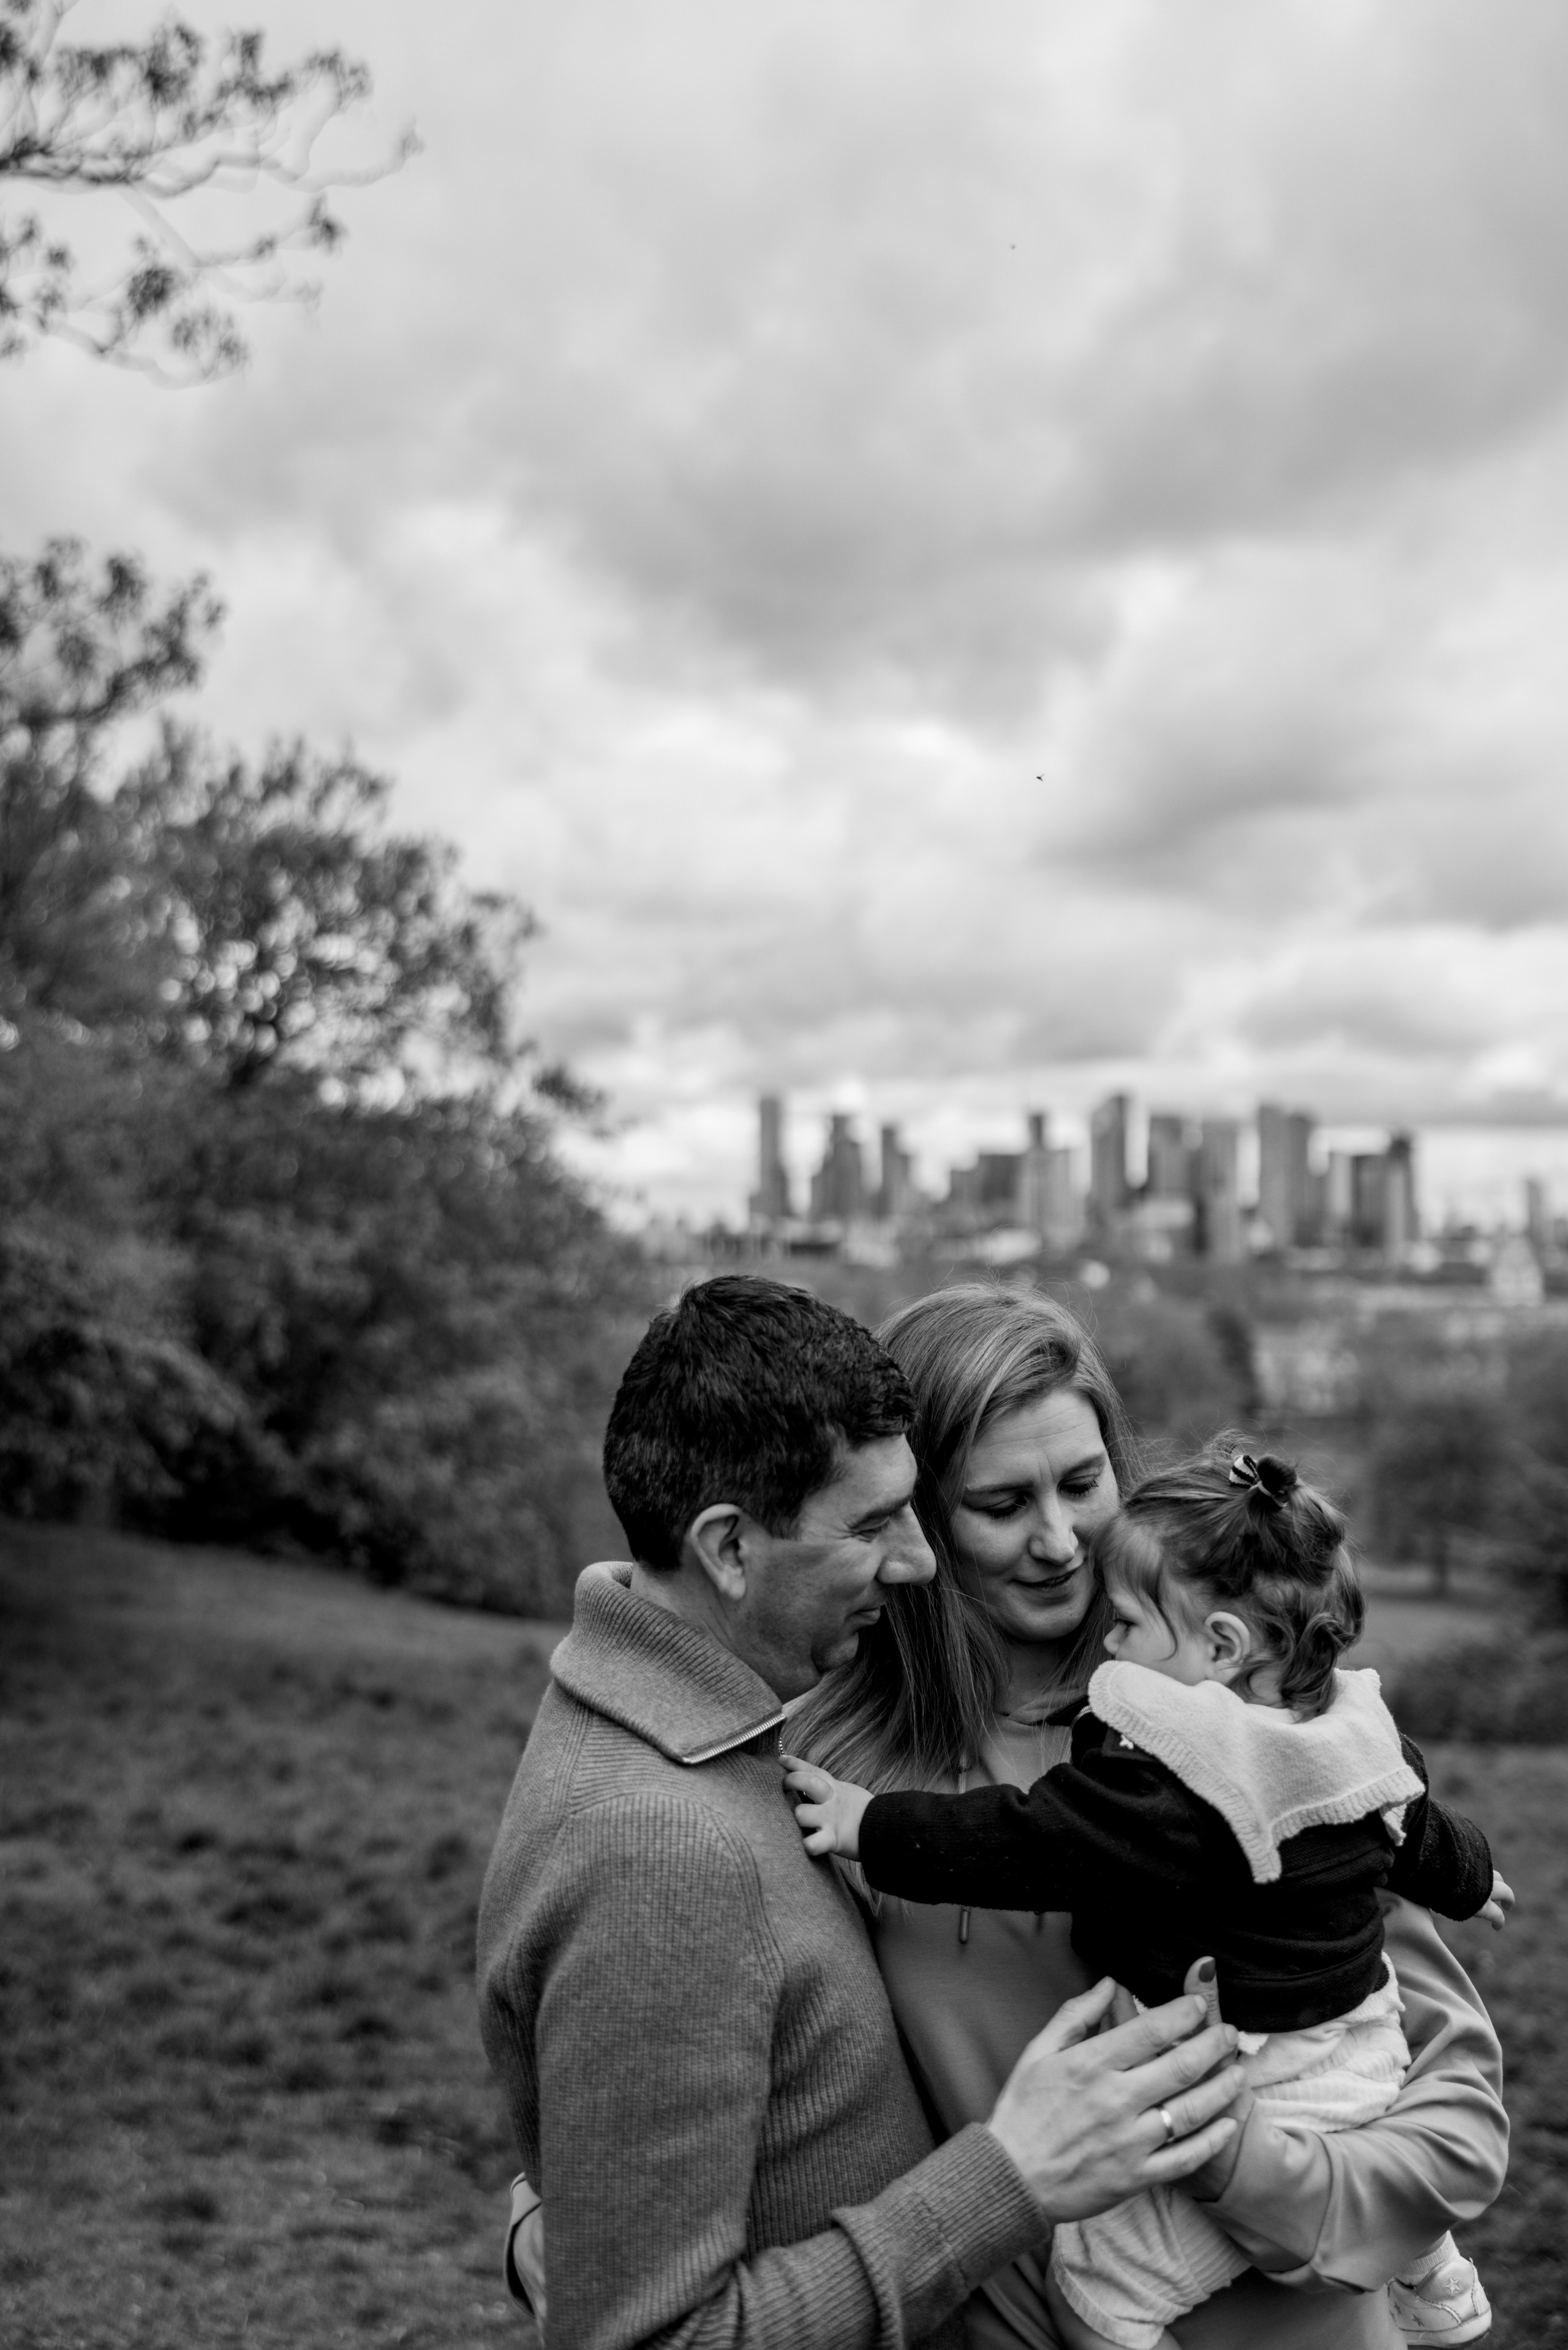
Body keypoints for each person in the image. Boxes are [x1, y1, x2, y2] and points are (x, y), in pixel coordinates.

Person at [475, 1275, 1245, 2350]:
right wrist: (1006, 2180)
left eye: (1082, 1481)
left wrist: (557, 2212)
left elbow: (684, 2088)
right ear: (731, 1547)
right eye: (885, 1521)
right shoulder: (707, 1823)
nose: (920, 1558)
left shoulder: (729, 1750)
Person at [788, 1283, 1509, 2350]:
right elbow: (745, 2076)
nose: (1062, 1541)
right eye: (999, 1504)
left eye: (1084, 1482)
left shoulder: (1255, 1733)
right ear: (918, 1519)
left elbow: (1457, 2132)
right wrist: (554, 2223)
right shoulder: (832, 1770)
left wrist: (1245, 2168)